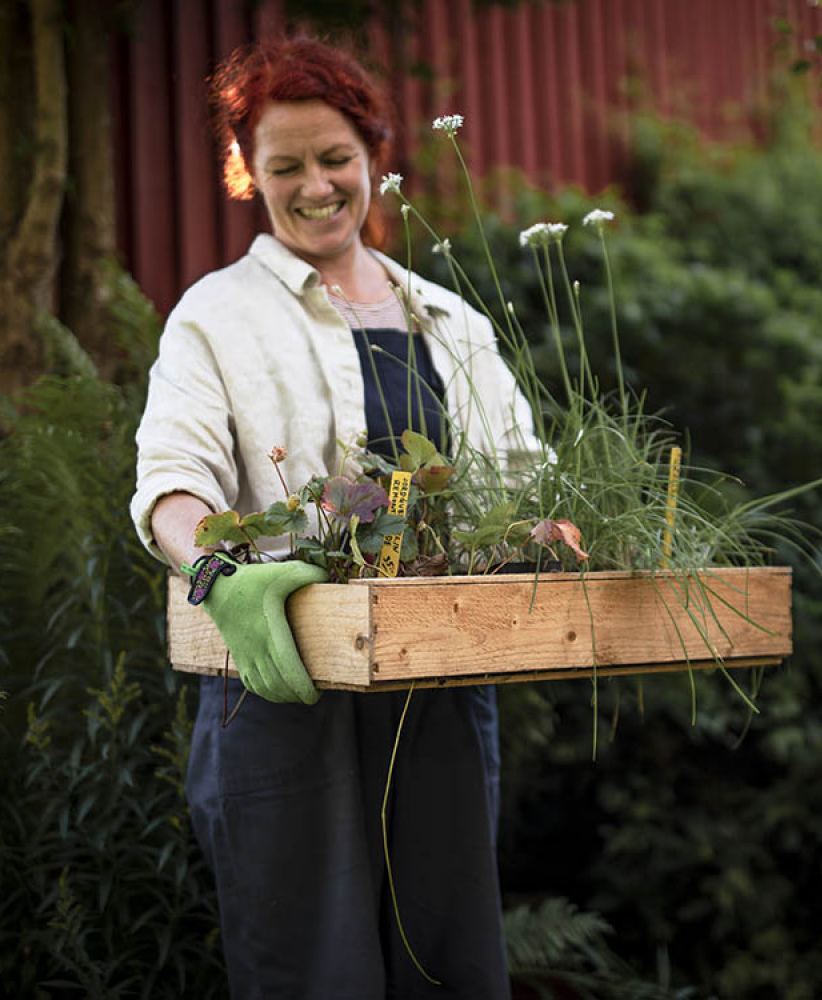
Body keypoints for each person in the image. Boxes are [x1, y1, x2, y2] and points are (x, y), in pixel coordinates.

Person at [131, 35, 534, 999]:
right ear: (248, 174)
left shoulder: (452, 320)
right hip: (281, 687)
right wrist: (218, 576)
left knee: (450, 959)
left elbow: (524, 482)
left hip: (437, 677)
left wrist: (549, 537)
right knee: (314, 968)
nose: (315, 185)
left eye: (334, 159)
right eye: (285, 166)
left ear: (373, 158)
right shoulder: (214, 316)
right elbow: (172, 484)